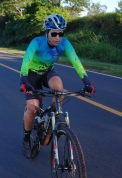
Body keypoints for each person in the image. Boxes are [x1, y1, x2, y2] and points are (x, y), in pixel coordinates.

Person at [19, 14, 95, 158]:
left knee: (59, 88)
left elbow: (76, 62)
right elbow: (26, 60)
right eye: (54, 33)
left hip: (47, 72)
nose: (57, 37)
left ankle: (52, 119)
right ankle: (26, 138)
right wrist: (24, 80)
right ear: (46, 32)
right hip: (31, 75)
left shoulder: (64, 43)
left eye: (61, 33)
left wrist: (87, 82)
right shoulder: (37, 42)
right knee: (32, 108)